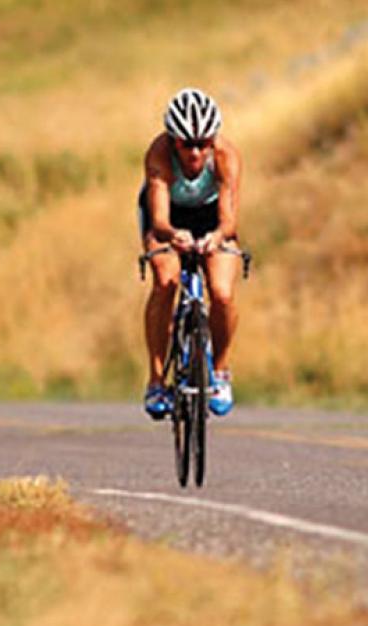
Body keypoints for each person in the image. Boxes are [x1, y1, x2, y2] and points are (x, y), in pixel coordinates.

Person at [139, 88, 242, 419]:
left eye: (203, 143)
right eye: (187, 144)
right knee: (166, 282)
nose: (196, 152)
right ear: (173, 142)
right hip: (170, 218)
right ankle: (157, 380)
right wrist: (173, 235)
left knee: (222, 293)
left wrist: (216, 237)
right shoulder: (158, 153)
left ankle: (221, 373)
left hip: (211, 219)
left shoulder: (227, 156)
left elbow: (228, 220)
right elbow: (158, 218)